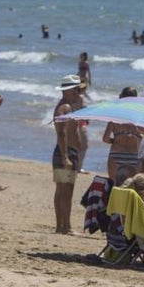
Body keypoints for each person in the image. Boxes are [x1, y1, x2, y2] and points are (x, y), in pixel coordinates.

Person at [50, 75, 84, 234]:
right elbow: (62, 133)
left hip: (65, 151)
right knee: (66, 191)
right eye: (76, 89)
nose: (79, 92)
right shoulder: (65, 108)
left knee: (61, 190)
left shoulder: (65, 106)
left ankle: (60, 226)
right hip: (66, 152)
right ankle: (66, 227)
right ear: (69, 90)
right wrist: (66, 157)